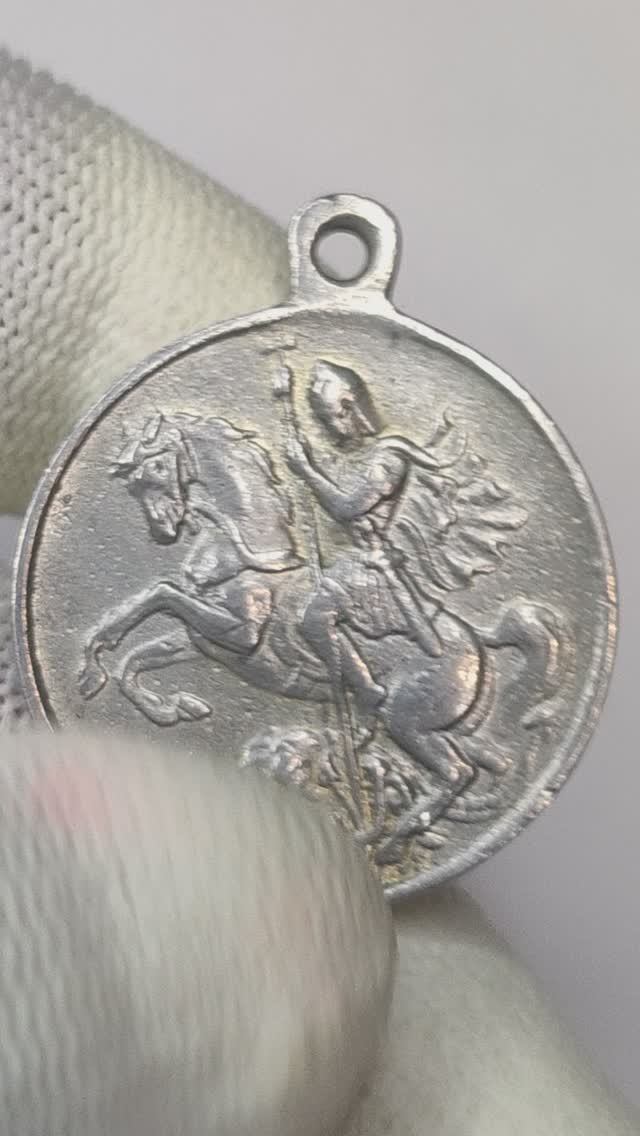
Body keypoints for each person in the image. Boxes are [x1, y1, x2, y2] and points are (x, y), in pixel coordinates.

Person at [0, 50, 636, 1136]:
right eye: (330, 405)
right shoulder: (305, 460)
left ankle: (363, 705)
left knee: (327, 603)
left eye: (342, 404)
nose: (337, 414)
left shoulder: (381, 458)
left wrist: (307, 460)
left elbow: (346, 506)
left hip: (374, 576)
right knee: (281, 593)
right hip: (334, 562)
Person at [286, 360, 444, 713]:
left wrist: (306, 470)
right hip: (354, 558)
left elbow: (347, 508)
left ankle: (366, 688)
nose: (329, 429)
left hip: (372, 566)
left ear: (349, 409)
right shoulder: (358, 456)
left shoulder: (389, 459)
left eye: (330, 419)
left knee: (312, 619)